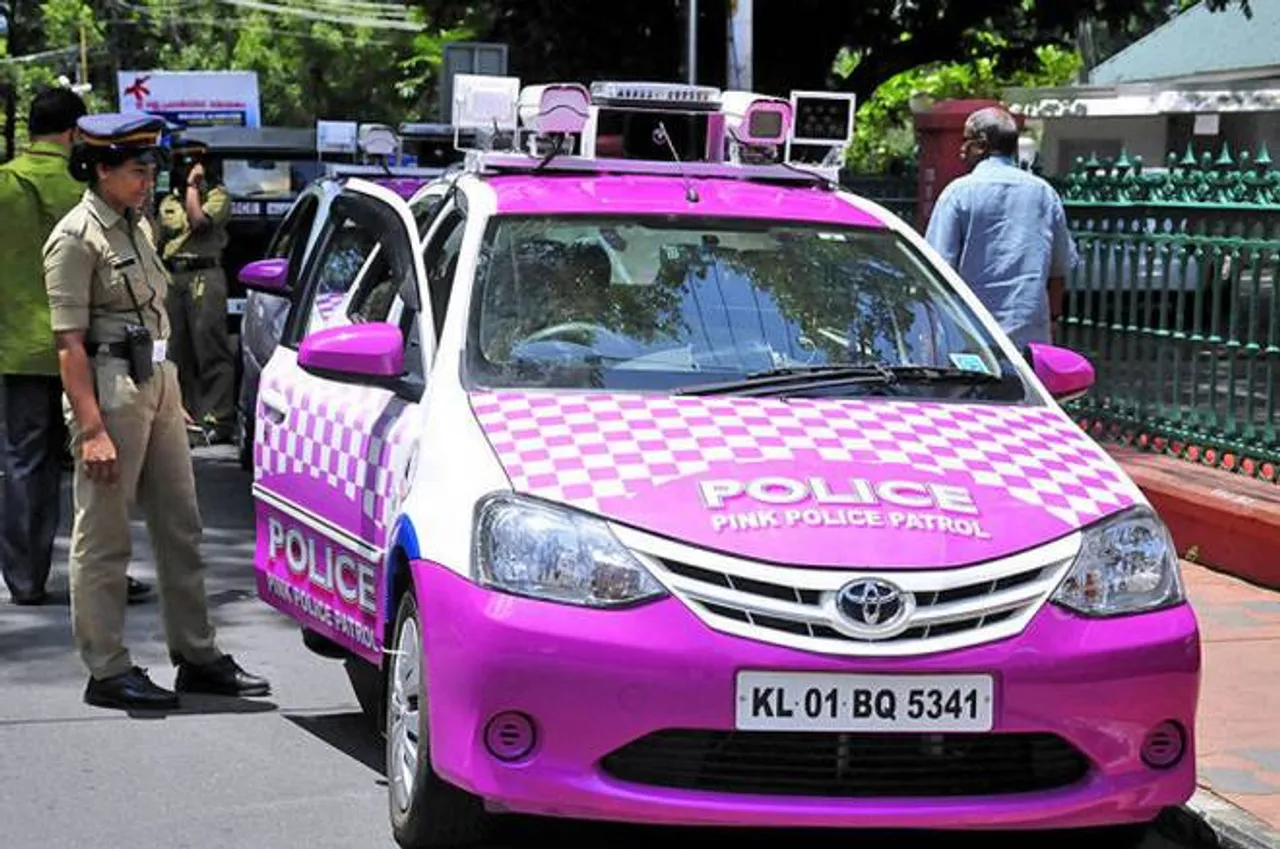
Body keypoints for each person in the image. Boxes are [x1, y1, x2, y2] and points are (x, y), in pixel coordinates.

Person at [43, 113, 269, 710]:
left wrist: (173, 394)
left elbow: (155, 316)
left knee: (181, 527)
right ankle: (107, 667)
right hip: (110, 389)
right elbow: (68, 344)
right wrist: (91, 428)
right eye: (137, 170)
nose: (148, 180)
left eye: (149, 169)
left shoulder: (136, 224)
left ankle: (196, 655)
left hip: (157, 382)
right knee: (105, 536)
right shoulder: (75, 237)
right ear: (101, 169)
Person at [0, 87, 152, 606]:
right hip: (90, 350)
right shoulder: (90, 187)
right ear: (73, 134)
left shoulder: (4, 184)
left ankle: (24, 578)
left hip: (18, 349)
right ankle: (106, 574)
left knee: (23, 463)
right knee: (105, 466)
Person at [924, 105, 1078, 349]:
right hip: (1029, 343)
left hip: (971, 341)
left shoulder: (958, 193)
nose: (961, 150)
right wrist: (1052, 321)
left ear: (982, 144)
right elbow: (1059, 272)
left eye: (966, 141)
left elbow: (936, 271)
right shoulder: (1044, 194)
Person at [157, 136, 236, 444]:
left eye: (191, 162)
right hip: (173, 277)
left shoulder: (217, 196)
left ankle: (218, 417)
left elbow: (199, 223)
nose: (186, 169)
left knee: (210, 348)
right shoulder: (168, 202)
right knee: (174, 350)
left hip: (205, 274)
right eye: (181, 163)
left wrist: (194, 187)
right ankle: (181, 416)